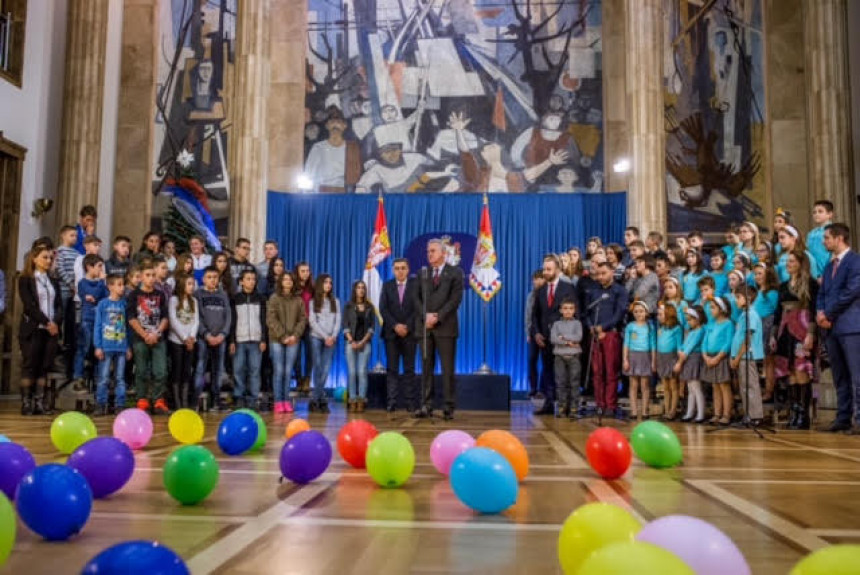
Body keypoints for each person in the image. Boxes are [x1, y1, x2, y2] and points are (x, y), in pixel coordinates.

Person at [816, 223, 860, 433]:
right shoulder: (828, 264)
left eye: (826, 238)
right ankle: (842, 417)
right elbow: (822, 292)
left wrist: (828, 314)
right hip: (831, 327)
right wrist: (819, 311)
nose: (824, 242)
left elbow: (851, 292)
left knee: (856, 374)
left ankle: (859, 419)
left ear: (839, 238)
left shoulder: (854, 262)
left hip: (850, 325)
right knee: (839, 375)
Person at [414, 239, 465, 420]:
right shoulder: (422, 273)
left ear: (443, 253)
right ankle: (426, 405)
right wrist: (425, 316)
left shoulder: (455, 273)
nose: (429, 254)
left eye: (433, 251)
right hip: (425, 328)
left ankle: (448, 406)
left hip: (445, 327)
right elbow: (416, 298)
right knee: (426, 368)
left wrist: (437, 316)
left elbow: (455, 299)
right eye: (428, 251)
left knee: (447, 369)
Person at [772, 250, 819, 429]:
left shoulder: (810, 284)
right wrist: (774, 334)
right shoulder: (783, 286)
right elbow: (778, 311)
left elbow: (814, 309)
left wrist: (811, 333)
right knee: (789, 370)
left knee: (801, 369)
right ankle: (794, 410)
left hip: (802, 328)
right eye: (787, 261)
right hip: (785, 330)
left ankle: (804, 415)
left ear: (801, 262)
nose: (788, 264)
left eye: (792, 261)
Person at [18, 243, 62, 415]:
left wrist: (55, 322)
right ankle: (26, 402)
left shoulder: (53, 280)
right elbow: (29, 306)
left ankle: (39, 402)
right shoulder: (26, 280)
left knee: (44, 366)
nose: (48, 260)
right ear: (34, 258)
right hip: (33, 328)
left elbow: (59, 305)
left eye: (50, 257)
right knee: (30, 365)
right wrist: (46, 321)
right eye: (44, 257)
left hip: (50, 330)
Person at [531, 254, 577, 415]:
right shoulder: (541, 290)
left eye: (549, 269)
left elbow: (572, 313)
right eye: (544, 268)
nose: (545, 272)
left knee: (565, 374)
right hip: (544, 339)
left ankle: (567, 406)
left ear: (557, 269)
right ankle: (549, 404)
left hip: (562, 340)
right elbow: (535, 314)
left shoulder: (567, 287)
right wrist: (536, 333)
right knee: (548, 371)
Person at [583, 261, 629, 419]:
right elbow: (586, 312)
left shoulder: (620, 291)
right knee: (597, 372)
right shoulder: (594, 291)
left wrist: (604, 327)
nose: (600, 277)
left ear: (612, 272)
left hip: (610, 334)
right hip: (595, 334)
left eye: (604, 273)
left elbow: (619, 313)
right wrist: (590, 326)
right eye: (598, 274)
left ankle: (610, 405)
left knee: (611, 372)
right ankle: (599, 404)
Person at [127, 260, 170, 414]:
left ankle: (158, 401)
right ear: (141, 277)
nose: (151, 278)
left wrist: (156, 333)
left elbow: (165, 317)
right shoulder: (134, 295)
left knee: (161, 371)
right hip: (141, 338)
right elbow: (131, 318)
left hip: (158, 338)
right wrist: (145, 335)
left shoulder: (160, 295)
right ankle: (142, 400)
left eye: (153, 275)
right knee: (141, 371)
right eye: (147, 275)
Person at [378, 259, 418, 416]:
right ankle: (391, 402)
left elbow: (418, 308)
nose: (400, 271)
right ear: (393, 270)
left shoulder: (416, 286)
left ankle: (410, 403)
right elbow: (383, 309)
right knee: (392, 370)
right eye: (397, 268)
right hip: (391, 334)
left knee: (409, 370)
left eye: (403, 268)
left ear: (408, 269)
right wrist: (396, 326)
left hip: (410, 333)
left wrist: (407, 326)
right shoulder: (387, 286)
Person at [267, 271, 306, 414]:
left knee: (288, 371)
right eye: (285, 279)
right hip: (277, 339)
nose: (288, 282)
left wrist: (295, 335)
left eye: (290, 279)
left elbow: (302, 319)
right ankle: (278, 401)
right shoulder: (274, 298)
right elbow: (271, 319)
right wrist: (283, 336)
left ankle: (286, 400)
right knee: (279, 370)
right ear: (281, 282)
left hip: (293, 340)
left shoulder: (298, 300)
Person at [194, 267, 232, 411]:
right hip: (204, 338)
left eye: (215, 277)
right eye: (209, 277)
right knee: (200, 368)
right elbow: (197, 316)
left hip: (220, 338)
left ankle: (215, 401)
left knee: (218, 370)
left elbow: (228, 316)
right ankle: (195, 400)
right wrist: (206, 334)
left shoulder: (223, 295)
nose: (212, 280)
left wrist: (223, 334)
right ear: (203, 279)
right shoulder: (198, 294)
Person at [93, 275, 131, 415]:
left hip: (121, 347)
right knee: (103, 377)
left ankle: (119, 404)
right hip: (106, 347)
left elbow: (127, 327)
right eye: (119, 284)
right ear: (110, 286)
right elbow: (97, 326)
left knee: (120, 378)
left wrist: (128, 347)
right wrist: (98, 346)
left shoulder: (124, 304)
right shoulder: (103, 304)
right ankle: (100, 404)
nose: (122, 287)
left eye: (123, 284)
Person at [230, 269, 267, 411]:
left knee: (254, 370)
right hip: (240, 339)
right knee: (238, 369)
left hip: (256, 340)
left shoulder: (261, 298)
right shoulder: (235, 299)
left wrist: (263, 339)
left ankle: (253, 398)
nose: (251, 281)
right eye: (248, 279)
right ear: (241, 281)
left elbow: (263, 321)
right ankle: (239, 396)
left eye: (253, 279)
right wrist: (232, 340)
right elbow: (233, 321)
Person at [71, 254, 108, 388]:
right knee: (84, 348)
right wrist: (100, 283)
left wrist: (98, 293)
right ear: (89, 267)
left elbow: (104, 298)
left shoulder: (101, 284)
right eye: (99, 267)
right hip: (87, 320)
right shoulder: (82, 283)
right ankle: (78, 376)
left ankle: (98, 378)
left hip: (100, 321)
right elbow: (95, 295)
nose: (101, 270)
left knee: (98, 349)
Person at [730, 285, 765, 425]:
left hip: (747, 356)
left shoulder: (751, 315)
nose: (736, 300)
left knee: (751, 386)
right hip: (741, 357)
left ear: (748, 298)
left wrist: (737, 357)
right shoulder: (743, 315)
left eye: (738, 297)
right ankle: (748, 415)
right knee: (744, 387)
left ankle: (756, 416)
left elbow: (747, 339)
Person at [308, 274, 340, 413]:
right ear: (320, 284)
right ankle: (320, 399)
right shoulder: (313, 301)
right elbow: (312, 321)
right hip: (316, 337)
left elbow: (338, 320)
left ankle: (315, 398)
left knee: (326, 368)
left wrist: (332, 336)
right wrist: (325, 336)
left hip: (331, 339)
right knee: (318, 367)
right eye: (326, 282)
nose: (328, 285)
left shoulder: (335, 301)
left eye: (330, 283)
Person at [343, 280, 376, 413]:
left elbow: (372, 328)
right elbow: (345, 326)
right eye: (358, 288)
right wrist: (352, 341)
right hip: (351, 343)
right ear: (354, 290)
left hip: (365, 343)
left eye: (363, 288)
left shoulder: (369, 307)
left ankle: (361, 400)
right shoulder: (348, 306)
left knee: (362, 372)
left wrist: (362, 342)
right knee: (352, 372)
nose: (361, 290)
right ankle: (352, 400)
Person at [702, 297, 734, 425]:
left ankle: (726, 414)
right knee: (715, 386)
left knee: (724, 385)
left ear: (722, 309)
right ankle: (717, 413)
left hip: (721, 357)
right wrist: (705, 356)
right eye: (710, 307)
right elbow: (705, 341)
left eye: (713, 307)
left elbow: (728, 342)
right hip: (709, 357)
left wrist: (718, 358)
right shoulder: (711, 324)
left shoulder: (728, 324)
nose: (710, 310)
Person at [168, 274, 199, 410]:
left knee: (187, 371)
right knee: (177, 370)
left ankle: (185, 401)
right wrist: (185, 338)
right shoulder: (174, 300)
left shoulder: (194, 301)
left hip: (190, 341)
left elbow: (196, 320)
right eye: (189, 284)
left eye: (193, 284)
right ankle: (176, 402)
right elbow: (173, 321)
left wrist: (191, 337)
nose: (192, 287)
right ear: (182, 285)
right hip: (176, 341)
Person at [550, 298, 583, 419]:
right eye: (565, 308)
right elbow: (553, 339)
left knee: (574, 383)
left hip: (574, 356)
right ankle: (561, 407)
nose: (568, 311)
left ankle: (574, 408)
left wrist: (562, 337)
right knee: (560, 383)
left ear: (574, 310)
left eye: (570, 309)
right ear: (560, 310)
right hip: (559, 356)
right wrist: (569, 342)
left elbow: (578, 337)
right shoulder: (556, 324)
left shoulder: (577, 323)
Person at [752, 262, 780, 401]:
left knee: (769, 360)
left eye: (760, 274)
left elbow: (776, 311)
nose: (757, 276)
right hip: (759, 325)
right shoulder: (759, 291)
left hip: (768, 324)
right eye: (755, 274)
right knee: (764, 360)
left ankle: (770, 390)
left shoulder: (771, 292)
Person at [56, 225, 79, 380]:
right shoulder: (60, 252)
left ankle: (68, 341)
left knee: (71, 319)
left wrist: (75, 285)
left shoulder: (77, 253)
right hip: (64, 289)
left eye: (75, 236)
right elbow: (60, 269)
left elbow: (77, 270)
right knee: (62, 315)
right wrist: (70, 283)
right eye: (71, 235)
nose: (74, 238)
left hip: (74, 291)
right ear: (63, 236)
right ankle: (60, 340)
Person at [676, 306, 707, 423]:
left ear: (697, 319)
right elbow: (684, 345)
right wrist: (680, 350)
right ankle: (689, 413)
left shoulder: (700, 331)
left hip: (694, 358)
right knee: (690, 388)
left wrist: (681, 358)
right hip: (688, 359)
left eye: (690, 319)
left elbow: (690, 347)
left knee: (696, 387)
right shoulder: (692, 331)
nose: (688, 322)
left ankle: (700, 414)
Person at [656, 303, 683, 420]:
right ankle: (666, 409)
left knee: (673, 385)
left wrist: (679, 362)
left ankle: (673, 411)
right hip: (662, 358)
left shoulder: (676, 328)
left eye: (660, 314)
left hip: (672, 357)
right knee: (665, 386)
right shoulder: (661, 328)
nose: (658, 316)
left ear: (668, 314)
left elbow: (679, 346)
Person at [294, 262, 315, 396]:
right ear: (297, 272)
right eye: (302, 271)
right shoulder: (293, 288)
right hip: (296, 325)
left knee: (310, 354)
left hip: (309, 325)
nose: (305, 273)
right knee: (296, 355)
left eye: (307, 271)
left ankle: (307, 379)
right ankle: (299, 380)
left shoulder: (312, 288)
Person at [524, 270, 546, 398]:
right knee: (532, 360)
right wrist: (528, 332)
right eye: (535, 279)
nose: (537, 281)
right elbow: (528, 316)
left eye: (540, 278)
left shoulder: (547, 294)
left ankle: (543, 388)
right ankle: (533, 387)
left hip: (545, 333)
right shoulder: (530, 296)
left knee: (545, 361)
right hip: (533, 332)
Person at [807, 200, 834, 273]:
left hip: (827, 272)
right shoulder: (811, 233)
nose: (816, 214)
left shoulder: (834, 230)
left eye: (820, 211)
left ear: (830, 214)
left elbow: (835, 253)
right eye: (814, 212)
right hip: (813, 273)